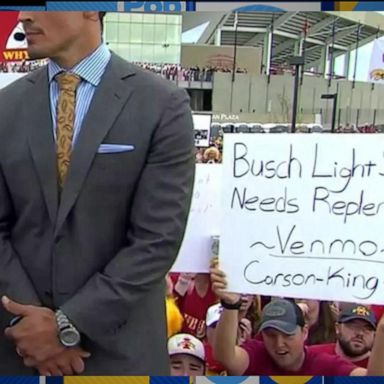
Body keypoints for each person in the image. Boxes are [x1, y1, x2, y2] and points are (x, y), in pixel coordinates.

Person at [0, 11, 195, 375]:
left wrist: (67, 325)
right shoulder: (6, 107)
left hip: (119, 352)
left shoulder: (162, 104)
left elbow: (157, 240)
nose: (23, 16)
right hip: (19, 349)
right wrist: (29, 324)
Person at [210, 263, 384, 375]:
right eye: (271, 334)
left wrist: (382, 330)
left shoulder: (323, 365)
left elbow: (373, 380)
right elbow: (225, 356)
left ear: (304, 332)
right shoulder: (257, 354)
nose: (279, 344)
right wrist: (230, 304)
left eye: (288, 335)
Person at [311, 304, 376, 368]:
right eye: (354, 326)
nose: (360, 333)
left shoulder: (379, 366)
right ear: (338, 328)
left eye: (367, 329)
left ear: (374, 335)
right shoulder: (313, 355)